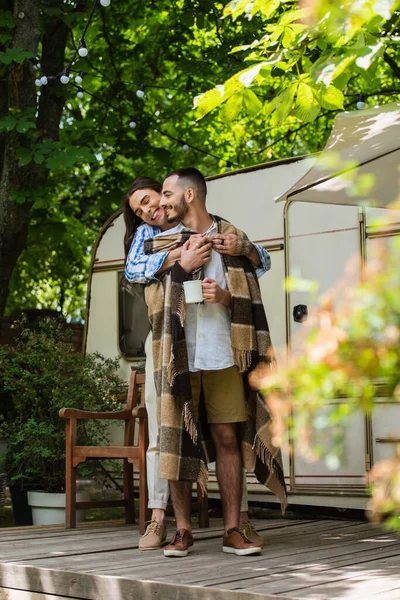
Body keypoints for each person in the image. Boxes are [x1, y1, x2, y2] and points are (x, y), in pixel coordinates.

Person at [143, 168, 287, 558]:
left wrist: (225, 297)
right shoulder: (162, 243)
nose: (162, 201)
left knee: (227, 439)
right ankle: (183, 531)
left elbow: (263, 262)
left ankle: (232, 530)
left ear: (190, 195)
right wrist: (180, 268)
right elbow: (141, 279)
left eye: (168, 193)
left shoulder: (230, 237)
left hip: (224, 353)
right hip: (179, 357)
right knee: (178, 439)